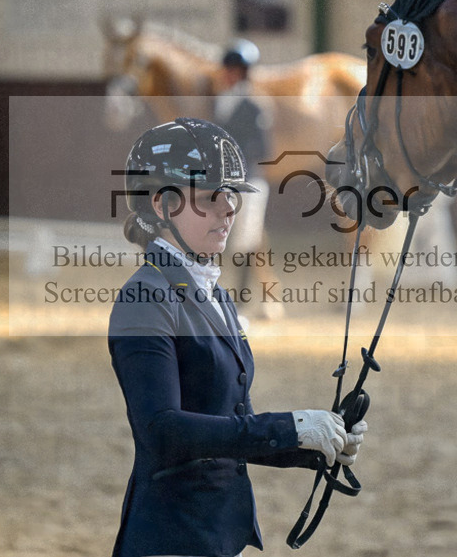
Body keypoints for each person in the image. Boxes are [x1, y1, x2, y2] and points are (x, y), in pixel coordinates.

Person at [109, 118, 367, 557]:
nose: (229, 208)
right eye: (210, 198)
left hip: (219, 533)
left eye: (231, 195)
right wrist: (290, 426)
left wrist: (312, 443)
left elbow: (232, 422)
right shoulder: (143, 298)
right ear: (162, 205)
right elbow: (163, 430)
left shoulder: (217, 294)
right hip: (170, 536)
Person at [214, 40, 272, 302]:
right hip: (222, 181)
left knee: (246, 241)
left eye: (232, 70)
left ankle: (242, 299)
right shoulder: (221, 101)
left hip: (249, 180)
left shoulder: (256, 105)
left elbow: (262, 147)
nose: (227, 74)